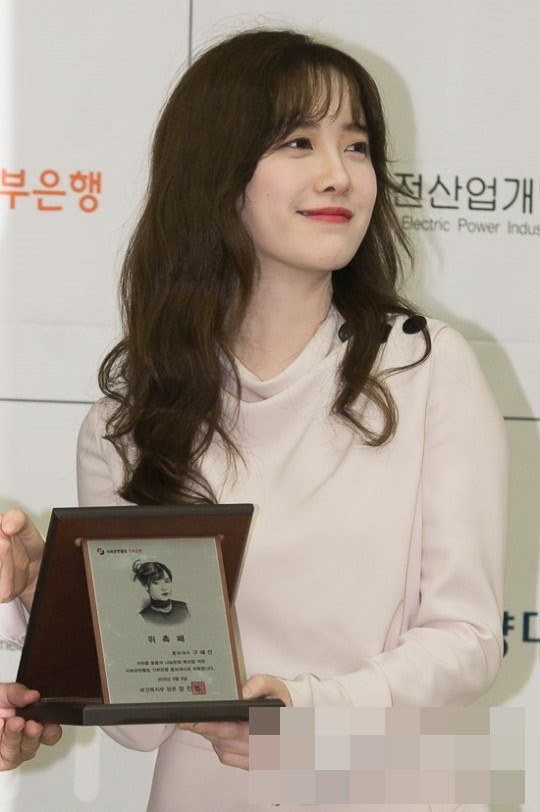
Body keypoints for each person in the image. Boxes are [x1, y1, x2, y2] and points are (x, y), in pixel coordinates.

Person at [0, 26, 508, 812]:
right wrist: (41, 588)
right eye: (299, 142)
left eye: (358, 145)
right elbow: (145, 719)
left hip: (391, 785)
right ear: (215, 172)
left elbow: (468, 642)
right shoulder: (129, 421)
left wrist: (308, 713)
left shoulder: (425, 365)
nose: (339, 174)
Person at [132, 559, 191, 624]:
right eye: (157, 583)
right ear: (146, 586)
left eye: (167, 581)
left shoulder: (185, 608)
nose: (164, 588)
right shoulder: (142, 618)